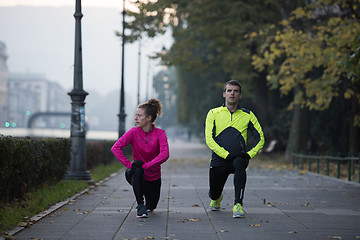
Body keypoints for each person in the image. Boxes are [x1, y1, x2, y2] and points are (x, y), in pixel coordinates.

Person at [205, 80, 265, 218]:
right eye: (229, 91)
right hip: (219, 158)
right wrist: (225, 154)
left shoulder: (248, 115)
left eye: (235, 91)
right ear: (224, 94)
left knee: (239, 163)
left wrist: (249, 155)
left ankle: (238, 204)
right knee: (213, 193)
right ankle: (216, 198)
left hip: (238, 157)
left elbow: (260, 138)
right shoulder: (213, 113)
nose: (232, 93)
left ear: (240, 95)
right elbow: (209, 139)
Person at [111, 98, 169, 218]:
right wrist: (129, 165)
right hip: (137, 175)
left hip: (154, 178)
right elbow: (115, 148)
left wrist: (147, 165)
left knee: (152, 206)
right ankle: (140, 205)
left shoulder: (160, 133)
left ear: (149, 118)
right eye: (135, 115)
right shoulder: (133, 132)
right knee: (137, 167)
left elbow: (165, 154)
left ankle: (147, 204)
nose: (135, 118)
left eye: (139, 115)